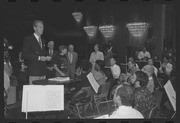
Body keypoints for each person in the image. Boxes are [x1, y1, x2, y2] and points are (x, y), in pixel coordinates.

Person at [22, 20, 51, 85]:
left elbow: (41, 54)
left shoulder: (43, 41)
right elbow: (24, 55)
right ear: (34, 28)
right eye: (40, 27)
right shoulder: (28, 39)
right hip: (34, 72)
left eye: (43, 27)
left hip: (43, 72)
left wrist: (46, 58)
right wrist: (39, 58)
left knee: (42, 93)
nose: (42, 29)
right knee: (34, 93)